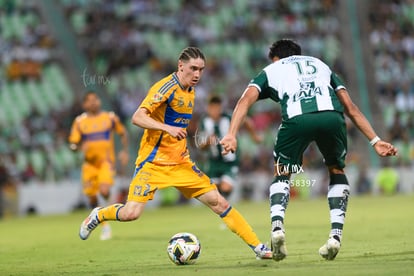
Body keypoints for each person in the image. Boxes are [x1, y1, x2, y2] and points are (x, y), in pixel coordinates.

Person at [78, 47, 272, 260]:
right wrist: (166, 128)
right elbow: (137, 117)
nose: (197, 74)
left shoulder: (191, 90)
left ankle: (258, 247)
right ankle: (98, 215)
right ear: (181, 66)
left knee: (220, 202)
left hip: (180, 162)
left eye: (201, 69)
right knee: (130, 213)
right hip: (153, 162)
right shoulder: (166, 87)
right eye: (193, 69)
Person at [220, 39, 398, 261]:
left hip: (297, 119)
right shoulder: (321, 64)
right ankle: (335, 236)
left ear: (277, 59)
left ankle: (277, 229)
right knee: (336, 170)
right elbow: (350, 107)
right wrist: (375, 140)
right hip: (332, 117)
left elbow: (244, 101)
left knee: (282, 171)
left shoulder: (273, 68)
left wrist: (231, 134)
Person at [69, 91, 129, 240]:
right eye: (89, 100)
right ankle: (103, 224)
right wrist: (79, 147)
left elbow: (123, 133)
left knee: (104, 190)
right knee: (91, 198)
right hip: (89, 165)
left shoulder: (109, 118)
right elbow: (73, 144)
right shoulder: (79, 122)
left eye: (95, 99)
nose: (93, 102)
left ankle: (105, 219)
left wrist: (125, 151)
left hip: (106, 163)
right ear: (84, 104)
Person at [197, 95, 262, 199]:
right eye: (212, 107)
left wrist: (254, 135)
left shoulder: (228, 117)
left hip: (230, 160)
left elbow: (246, 120)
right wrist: (207, 142)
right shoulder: (204, 121)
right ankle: (222, 207)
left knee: (225, 188)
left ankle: (224, 205)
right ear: (208, 108)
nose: (215, 110)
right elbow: (200, 146)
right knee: (213, 191)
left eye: (217, 107)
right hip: (213, 161)